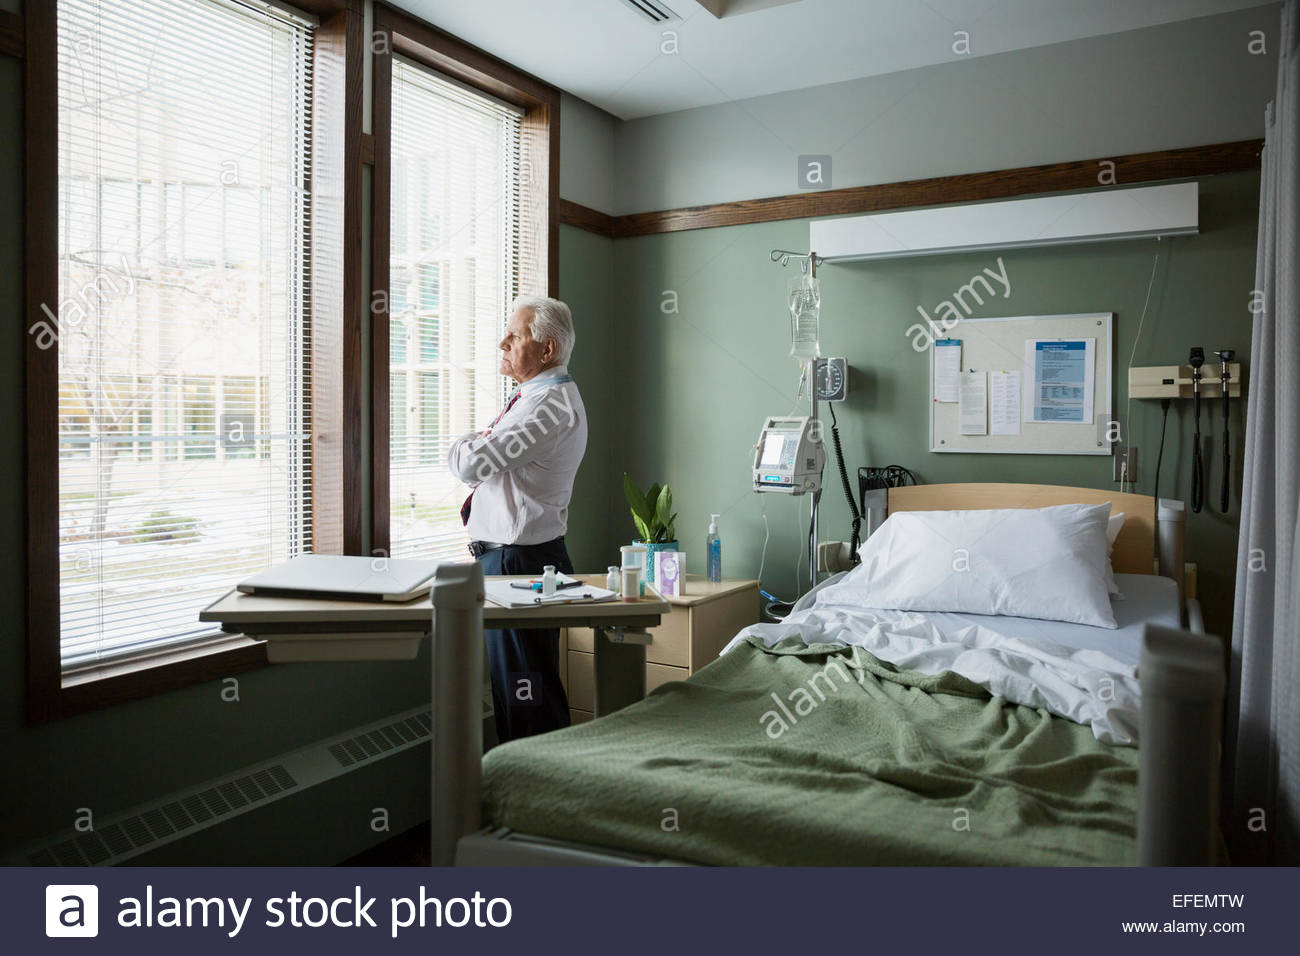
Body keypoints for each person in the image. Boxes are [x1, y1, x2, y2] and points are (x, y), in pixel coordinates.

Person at [447, 295, 587, 743]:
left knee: (526, 696)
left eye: (516, 334)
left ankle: (537, 801)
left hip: (518, 563)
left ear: (547, 349)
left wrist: (466, 441)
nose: (502, 341)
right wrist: (481, 441)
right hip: (516, 560)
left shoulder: (546, 408)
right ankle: (533, 798)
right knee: (521, 690)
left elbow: (471, 465)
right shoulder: (533, 399)